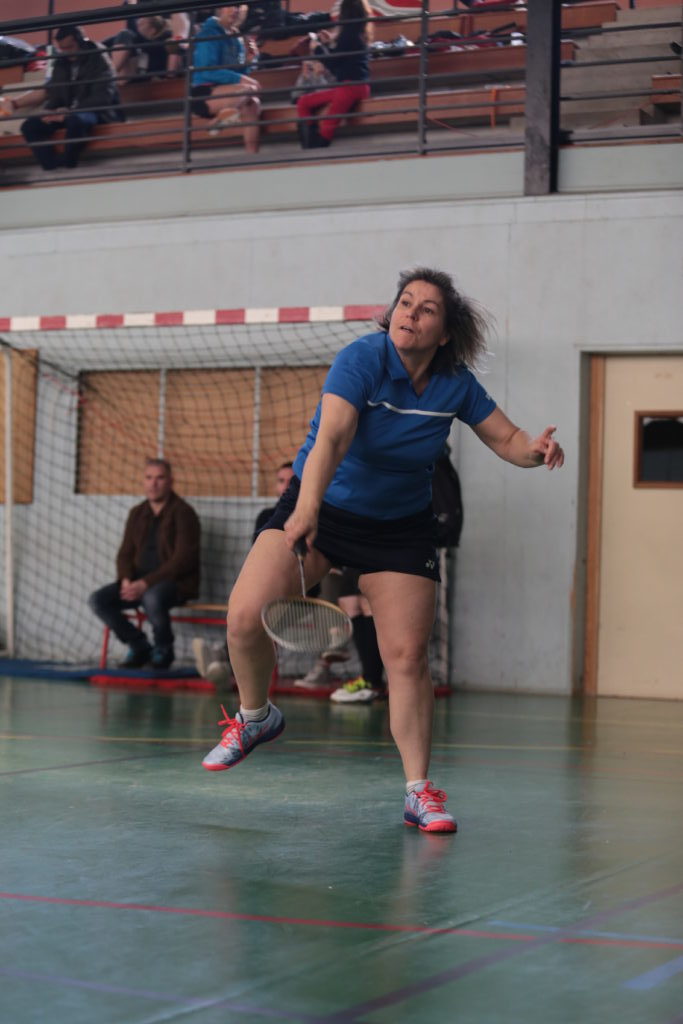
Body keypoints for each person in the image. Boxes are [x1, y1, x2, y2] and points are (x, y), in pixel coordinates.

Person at [201, 267, 564, 834]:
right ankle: (255, 716)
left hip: (399, 527)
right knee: (245, 616)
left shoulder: (456, 383)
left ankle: (419, 792)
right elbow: (333, 436)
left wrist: (534, 451)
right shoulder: (361, 359)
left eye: (426, 309)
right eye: (405, 302)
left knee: (407, 657)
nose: (409, 314)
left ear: (445, 332)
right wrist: (306, 510)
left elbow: (507, 439)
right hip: (323, 506)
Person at [89, 458, 201, 670]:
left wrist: (145, 583)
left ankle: (163, 649)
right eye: (149, 478)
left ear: (170, 481)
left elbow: (183, 559)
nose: (153, 484)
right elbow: (125, 553)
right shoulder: (137, 513)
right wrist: (125, 580)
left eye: (160, 478)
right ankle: (139, 645)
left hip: (175, 583)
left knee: (152, 597)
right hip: (138, 581)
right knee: (98, 600)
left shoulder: (184, 513)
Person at [0, 24, 122, 171]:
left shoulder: (99, 58)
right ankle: (51, 166)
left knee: (76, 121)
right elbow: (56, 90)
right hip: (67, 112)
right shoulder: (61, 61)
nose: (65, 52)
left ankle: (69, 164)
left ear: (80, 42)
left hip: (96, 112)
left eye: (69, 47)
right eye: (62, 48)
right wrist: (50, 111)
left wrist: (70, 111)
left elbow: (102, 98)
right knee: (30, 126)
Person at [296, 0, 372, 149]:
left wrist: (318, 48)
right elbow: (339, 57)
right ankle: (310, 146)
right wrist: (326, 44)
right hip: (354, 86)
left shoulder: (348, 35)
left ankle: (313, 149)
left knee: (328, 125)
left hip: (350, 86)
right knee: (304, 102)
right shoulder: (358, 33)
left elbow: (333, 63)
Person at [190, 5, 261, 152]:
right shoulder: (209, 33)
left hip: (229, 92)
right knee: (250, 88)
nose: (235, 10)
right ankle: (218, 120)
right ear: (220, 9)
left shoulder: (236, 37)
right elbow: (207, 71)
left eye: (238, 7)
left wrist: (248, 61)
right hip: (204, 93)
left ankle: (252, 155)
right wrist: (241, 79)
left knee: (253, 103)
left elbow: (237, 73)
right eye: (230, 6)